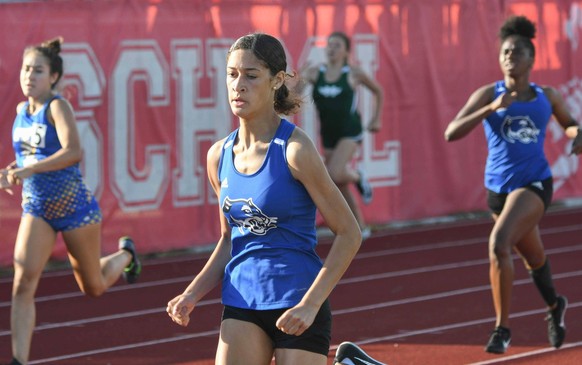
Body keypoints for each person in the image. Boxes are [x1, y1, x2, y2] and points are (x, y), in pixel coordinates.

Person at [166, 32, 362, 365]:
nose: (238, 85)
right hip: (241, 301)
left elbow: (349, 233)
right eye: (232, 74)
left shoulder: (295, 151)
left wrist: (311, 304)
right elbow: (229, 239)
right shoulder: (218, 156)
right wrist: (193, 293)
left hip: (296, 301)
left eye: (251, 75)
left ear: (277, 81)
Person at [444, 16, 582, 354]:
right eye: (505, 52)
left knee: (499, 244)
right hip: (498, 191)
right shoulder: (488, 94)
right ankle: (555, 304)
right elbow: (451, 132)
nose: (509, 56)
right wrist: (492, 108)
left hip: (534, 183)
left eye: (517, 52)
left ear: (532, 59)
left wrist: (577, 134)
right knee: (533, 257)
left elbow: (570, 124)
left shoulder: (545, 96)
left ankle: (501, 329)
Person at [0, 37, 142, 365]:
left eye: (37, 70)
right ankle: (19, 360)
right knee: (22, 282)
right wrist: (12, 172)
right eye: (25, 69)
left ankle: (125, 254)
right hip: (37, 210)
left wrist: (29, 168)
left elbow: (73, 151)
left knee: (92, 287)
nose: (29, 76)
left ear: (52, 77)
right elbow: (28, 157)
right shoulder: (22, 111)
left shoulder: (57, 106)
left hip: (75, 209)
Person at [301, 31, 384, 239]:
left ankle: (358, 176)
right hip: (328, 133)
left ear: (346, 50)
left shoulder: (353, 73)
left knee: (336, 173)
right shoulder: (314, 73)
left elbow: (378, 91)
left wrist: (376, 119)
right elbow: (293, 92)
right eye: (329, 45)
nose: (331, 49)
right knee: (338, 182)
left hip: (350, 131)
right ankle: (360, 226)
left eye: (337, 45)